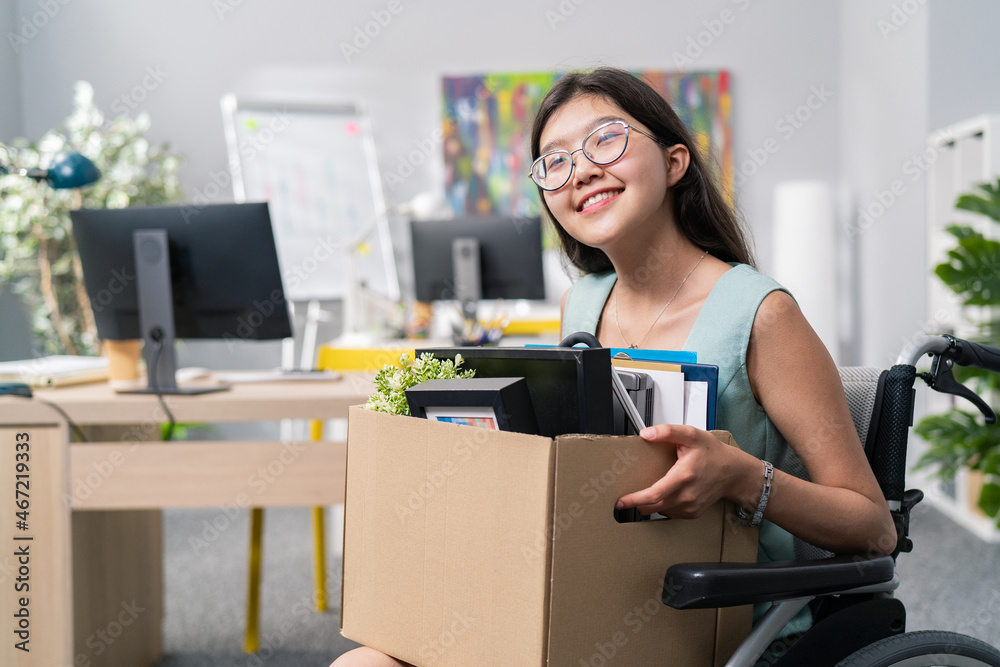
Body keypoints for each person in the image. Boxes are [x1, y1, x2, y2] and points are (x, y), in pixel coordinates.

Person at [332, 67, 894, 667]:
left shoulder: (761, 314)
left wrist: (737, 476)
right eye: (555, 161)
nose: (581, 170)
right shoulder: (583, 302)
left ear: (675, 162)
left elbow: (873, 528)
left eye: (606, 139)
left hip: (709, 617)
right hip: (594, 593)